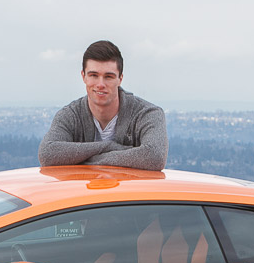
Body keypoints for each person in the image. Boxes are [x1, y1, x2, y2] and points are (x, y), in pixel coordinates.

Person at [38, 40, 168, 170]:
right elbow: (47, 154)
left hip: (132, 190)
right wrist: (109, 146)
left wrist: (84, 162)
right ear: (83, 77)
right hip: (83, 190)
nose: (100, 84)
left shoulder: (147, 114)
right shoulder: (70, 115)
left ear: (120, 79)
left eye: (108, 77)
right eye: (93, 75)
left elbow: (154, 157)